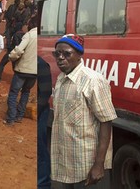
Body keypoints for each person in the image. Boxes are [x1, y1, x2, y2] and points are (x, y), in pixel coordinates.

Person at [51, 34, 117, 188]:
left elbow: (106, 122)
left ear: (79, 55)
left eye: (67, 53)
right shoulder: (61, 79)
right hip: (67, 165)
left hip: (87, 166)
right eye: (57, 54)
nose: (60, 58)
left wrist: (98, 165)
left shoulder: (93, 81)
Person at [4, 16, 37, 125]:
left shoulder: (29, 35)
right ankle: (19, 116)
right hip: (34, 72)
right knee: (26, 92)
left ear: (31, 24)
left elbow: (18, 50)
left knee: (14, 93)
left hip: (23, 69)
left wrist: (11, 57)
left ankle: (11, 118)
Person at [37, 56, 52, 189]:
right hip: (37, 110)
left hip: (40, 112)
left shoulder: (40, 64)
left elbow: (45, 92)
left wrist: (37, 111)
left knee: (40, 149)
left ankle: (43, 183)